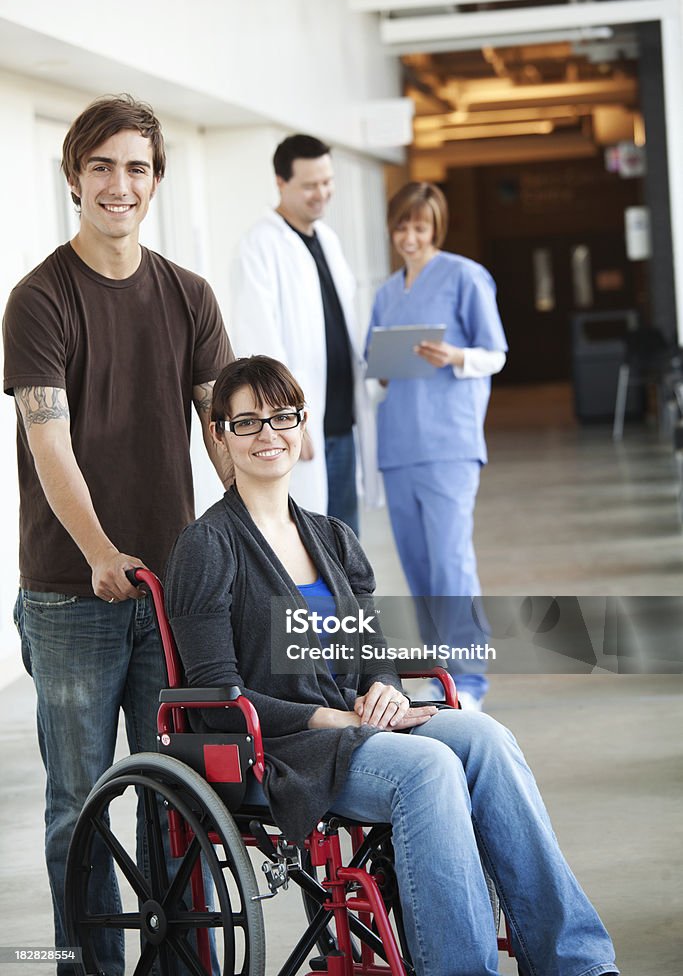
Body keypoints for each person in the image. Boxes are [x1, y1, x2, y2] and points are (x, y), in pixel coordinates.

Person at [164, 355, 618, 976]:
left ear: (301, 427)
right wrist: (337, 718)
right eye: (246, 422)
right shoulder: (206, 546)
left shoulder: (332, 536)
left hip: (362, 727)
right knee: (428, 767)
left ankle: (577, 963)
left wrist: (381, 691)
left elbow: (373, 653)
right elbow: (217, 692)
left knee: (486, 737)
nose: (267, 433)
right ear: (219, 435)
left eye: (281, 417)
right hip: (286, 750)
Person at [2, 94, 232, 974]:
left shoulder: (190, 295)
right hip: (71, 594)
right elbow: (48, 442)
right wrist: (101, 554)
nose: (119, 183)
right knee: (80, 800)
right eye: (100, 165)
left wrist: (266, 540)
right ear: (72, 177)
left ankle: (175, 965)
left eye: (136, 166)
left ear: (157, 180)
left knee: (180, 793)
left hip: (174, 595)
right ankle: (87, 964)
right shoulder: (38, 299)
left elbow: (223, 436)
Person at [367, 182, 508, 711]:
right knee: (419, 568)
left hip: (449, 443)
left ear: (436, 227)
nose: (409, 237)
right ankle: (438, 672)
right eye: (401, 226)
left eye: (420, 227)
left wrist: (454, 356)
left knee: (451, 565)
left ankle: (470, 680)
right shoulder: (386, 292)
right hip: (400, 445)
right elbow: (374, 367)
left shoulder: (466, 277)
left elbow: (495, 354)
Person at [229, 133, 379, 534]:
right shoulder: (259, 245)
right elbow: (257, 343)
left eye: (327, 182)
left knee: (347, 550)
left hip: (344, 425)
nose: (322, 193)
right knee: (310, 554)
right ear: (281, 181)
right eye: (310, 185)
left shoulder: (328, 241)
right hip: (306, 433)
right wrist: (285, 421)